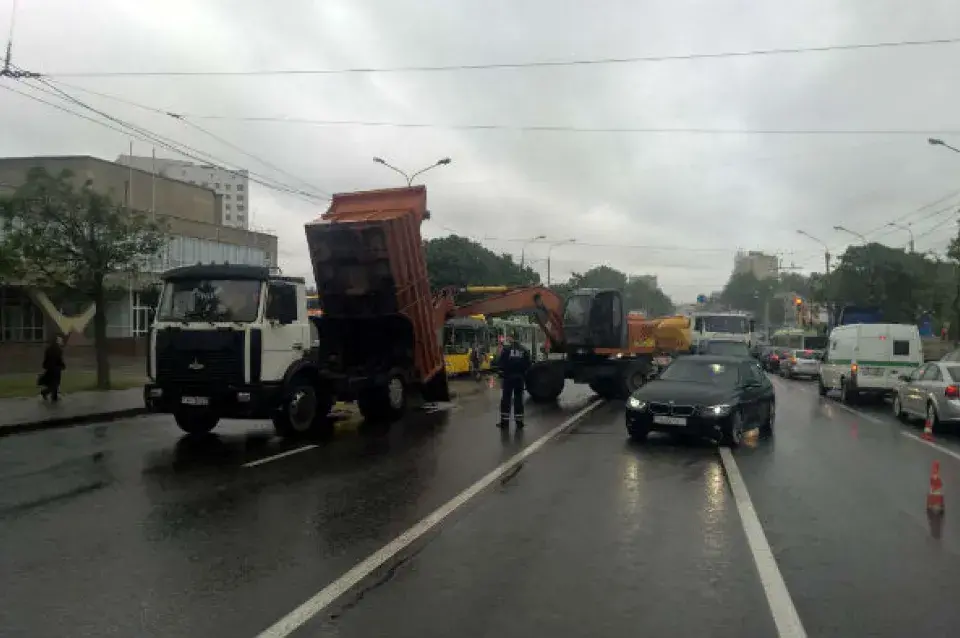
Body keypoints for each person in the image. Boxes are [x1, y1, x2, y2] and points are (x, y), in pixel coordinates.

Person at [495, 331, 532, 429]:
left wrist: (501, 373)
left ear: (511, 338)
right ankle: (519, 422)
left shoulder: (506, 350)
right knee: (518, 399)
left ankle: (504, 422)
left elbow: (501, 364)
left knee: (506, 399)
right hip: (519, 379)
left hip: (508, 378)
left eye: (509, 337)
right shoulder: (524, 350)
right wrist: (523, 375)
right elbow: (528, 365)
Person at [39, 334, 66, 402]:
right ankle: (48, 394)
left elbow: (46, 358)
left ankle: (51, 395)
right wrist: (62, 365)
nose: (61, 341)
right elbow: (59, 359)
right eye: (60, 340)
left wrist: (45, 365)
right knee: (55, 383)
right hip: (56, 368)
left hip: (50, 367)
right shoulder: (58, 350)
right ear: (57, 341)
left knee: (53, 383)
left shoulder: (49, 348)